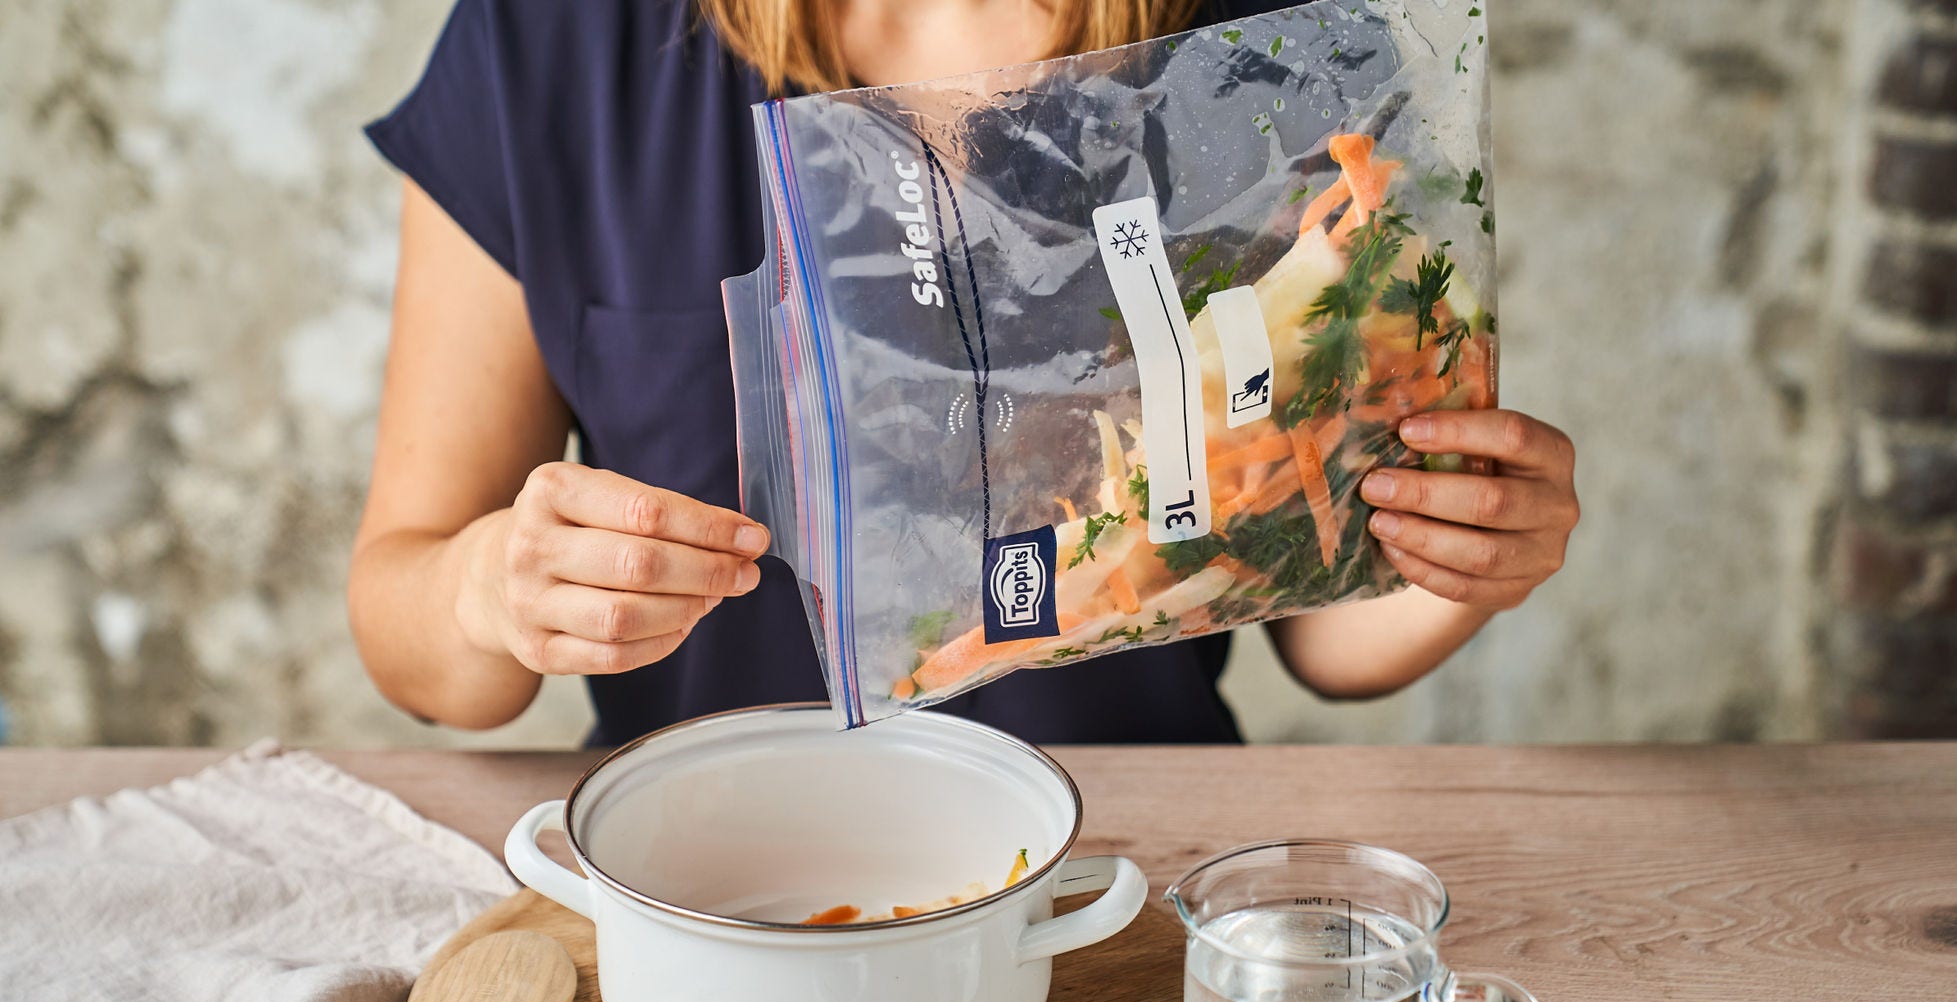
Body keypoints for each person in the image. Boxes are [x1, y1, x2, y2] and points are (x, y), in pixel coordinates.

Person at [349, 0, 1580, 747]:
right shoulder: (552, 45)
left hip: (1125, 885)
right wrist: (485, 591)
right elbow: (411, 634)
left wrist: (1458, 554)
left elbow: (1326, 633)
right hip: (706, 883)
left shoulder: (1280, 53)